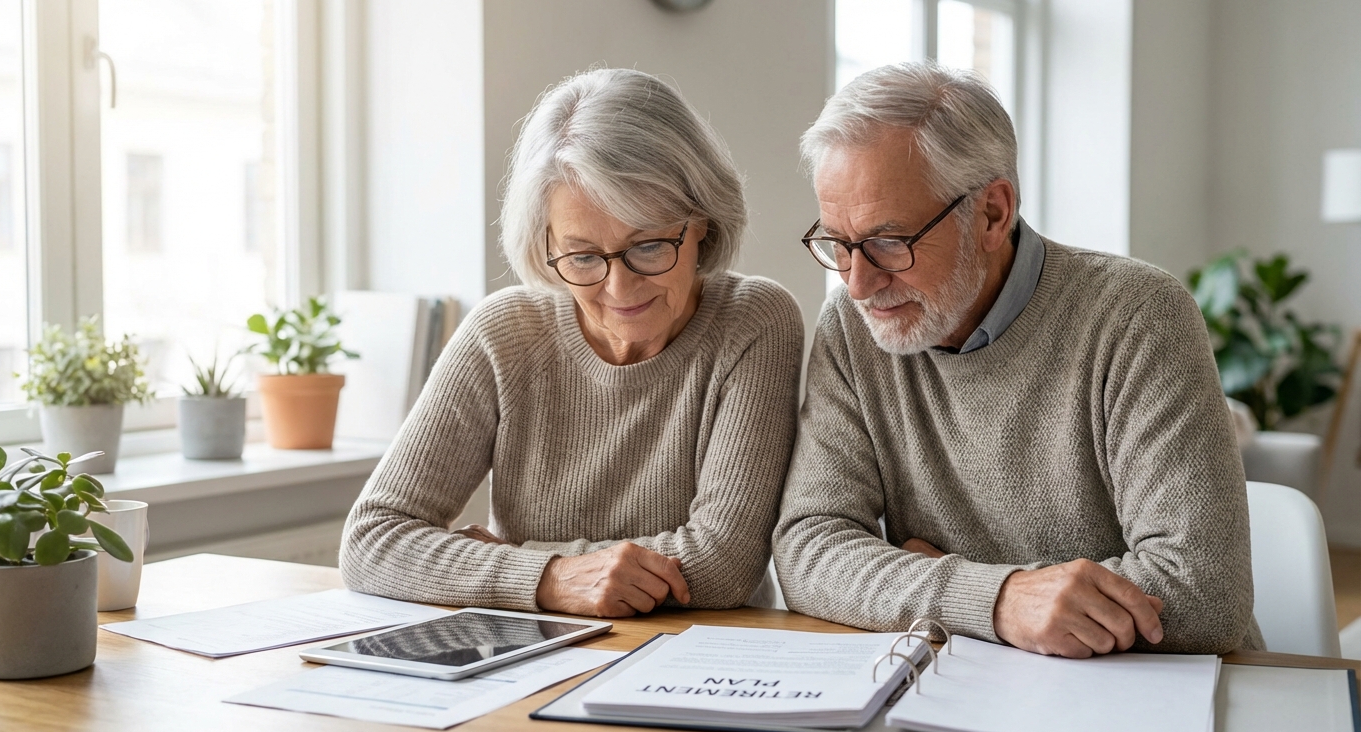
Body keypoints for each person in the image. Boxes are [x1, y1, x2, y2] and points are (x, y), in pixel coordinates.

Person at [773, 61, 1262, 656]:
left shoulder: (1139, 315)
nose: (857, 283)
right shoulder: (853, 329)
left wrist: (934, 582)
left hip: (1163, 701)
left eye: (888, 241)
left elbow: (1204, 595)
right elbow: (808, 548)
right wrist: (999, 599)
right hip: (966, 693)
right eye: (838, 244)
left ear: (992, 214)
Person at [340, 68, 802, 618]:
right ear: (547, 245)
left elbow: (723, 565)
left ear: (701, 221)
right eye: (583, 256)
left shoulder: (753, 322)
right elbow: (372, 540)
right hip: (532, 657)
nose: (619, 287)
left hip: (698, 664)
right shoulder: (504, 333)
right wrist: (549, 578)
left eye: (649, 246)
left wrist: (513, 561)